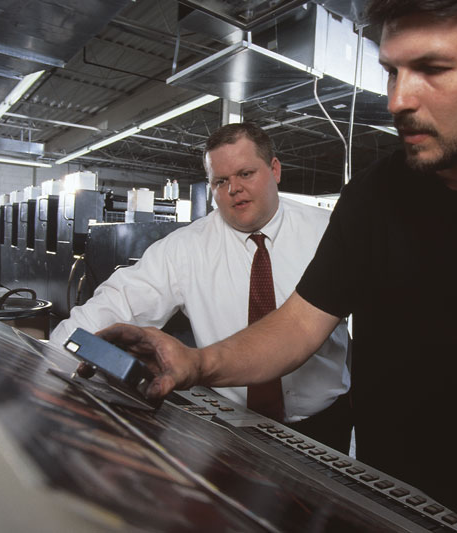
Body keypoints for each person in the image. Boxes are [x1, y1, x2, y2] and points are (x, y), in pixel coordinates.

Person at [95, 1, 457, 531]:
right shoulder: (375, 198)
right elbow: (301, 323)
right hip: (385, 507)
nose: (398, 98)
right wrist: (198, 362)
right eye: (393, 70)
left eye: (433, 69)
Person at [51, 122, 352, 453]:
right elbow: (115, 303)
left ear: (275, 169)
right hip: (233, 423)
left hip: (325, 423)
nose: (233, 188)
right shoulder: (185, 249)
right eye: (220, 181)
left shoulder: (328, 233)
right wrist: (50, 360)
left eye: (246, 173)